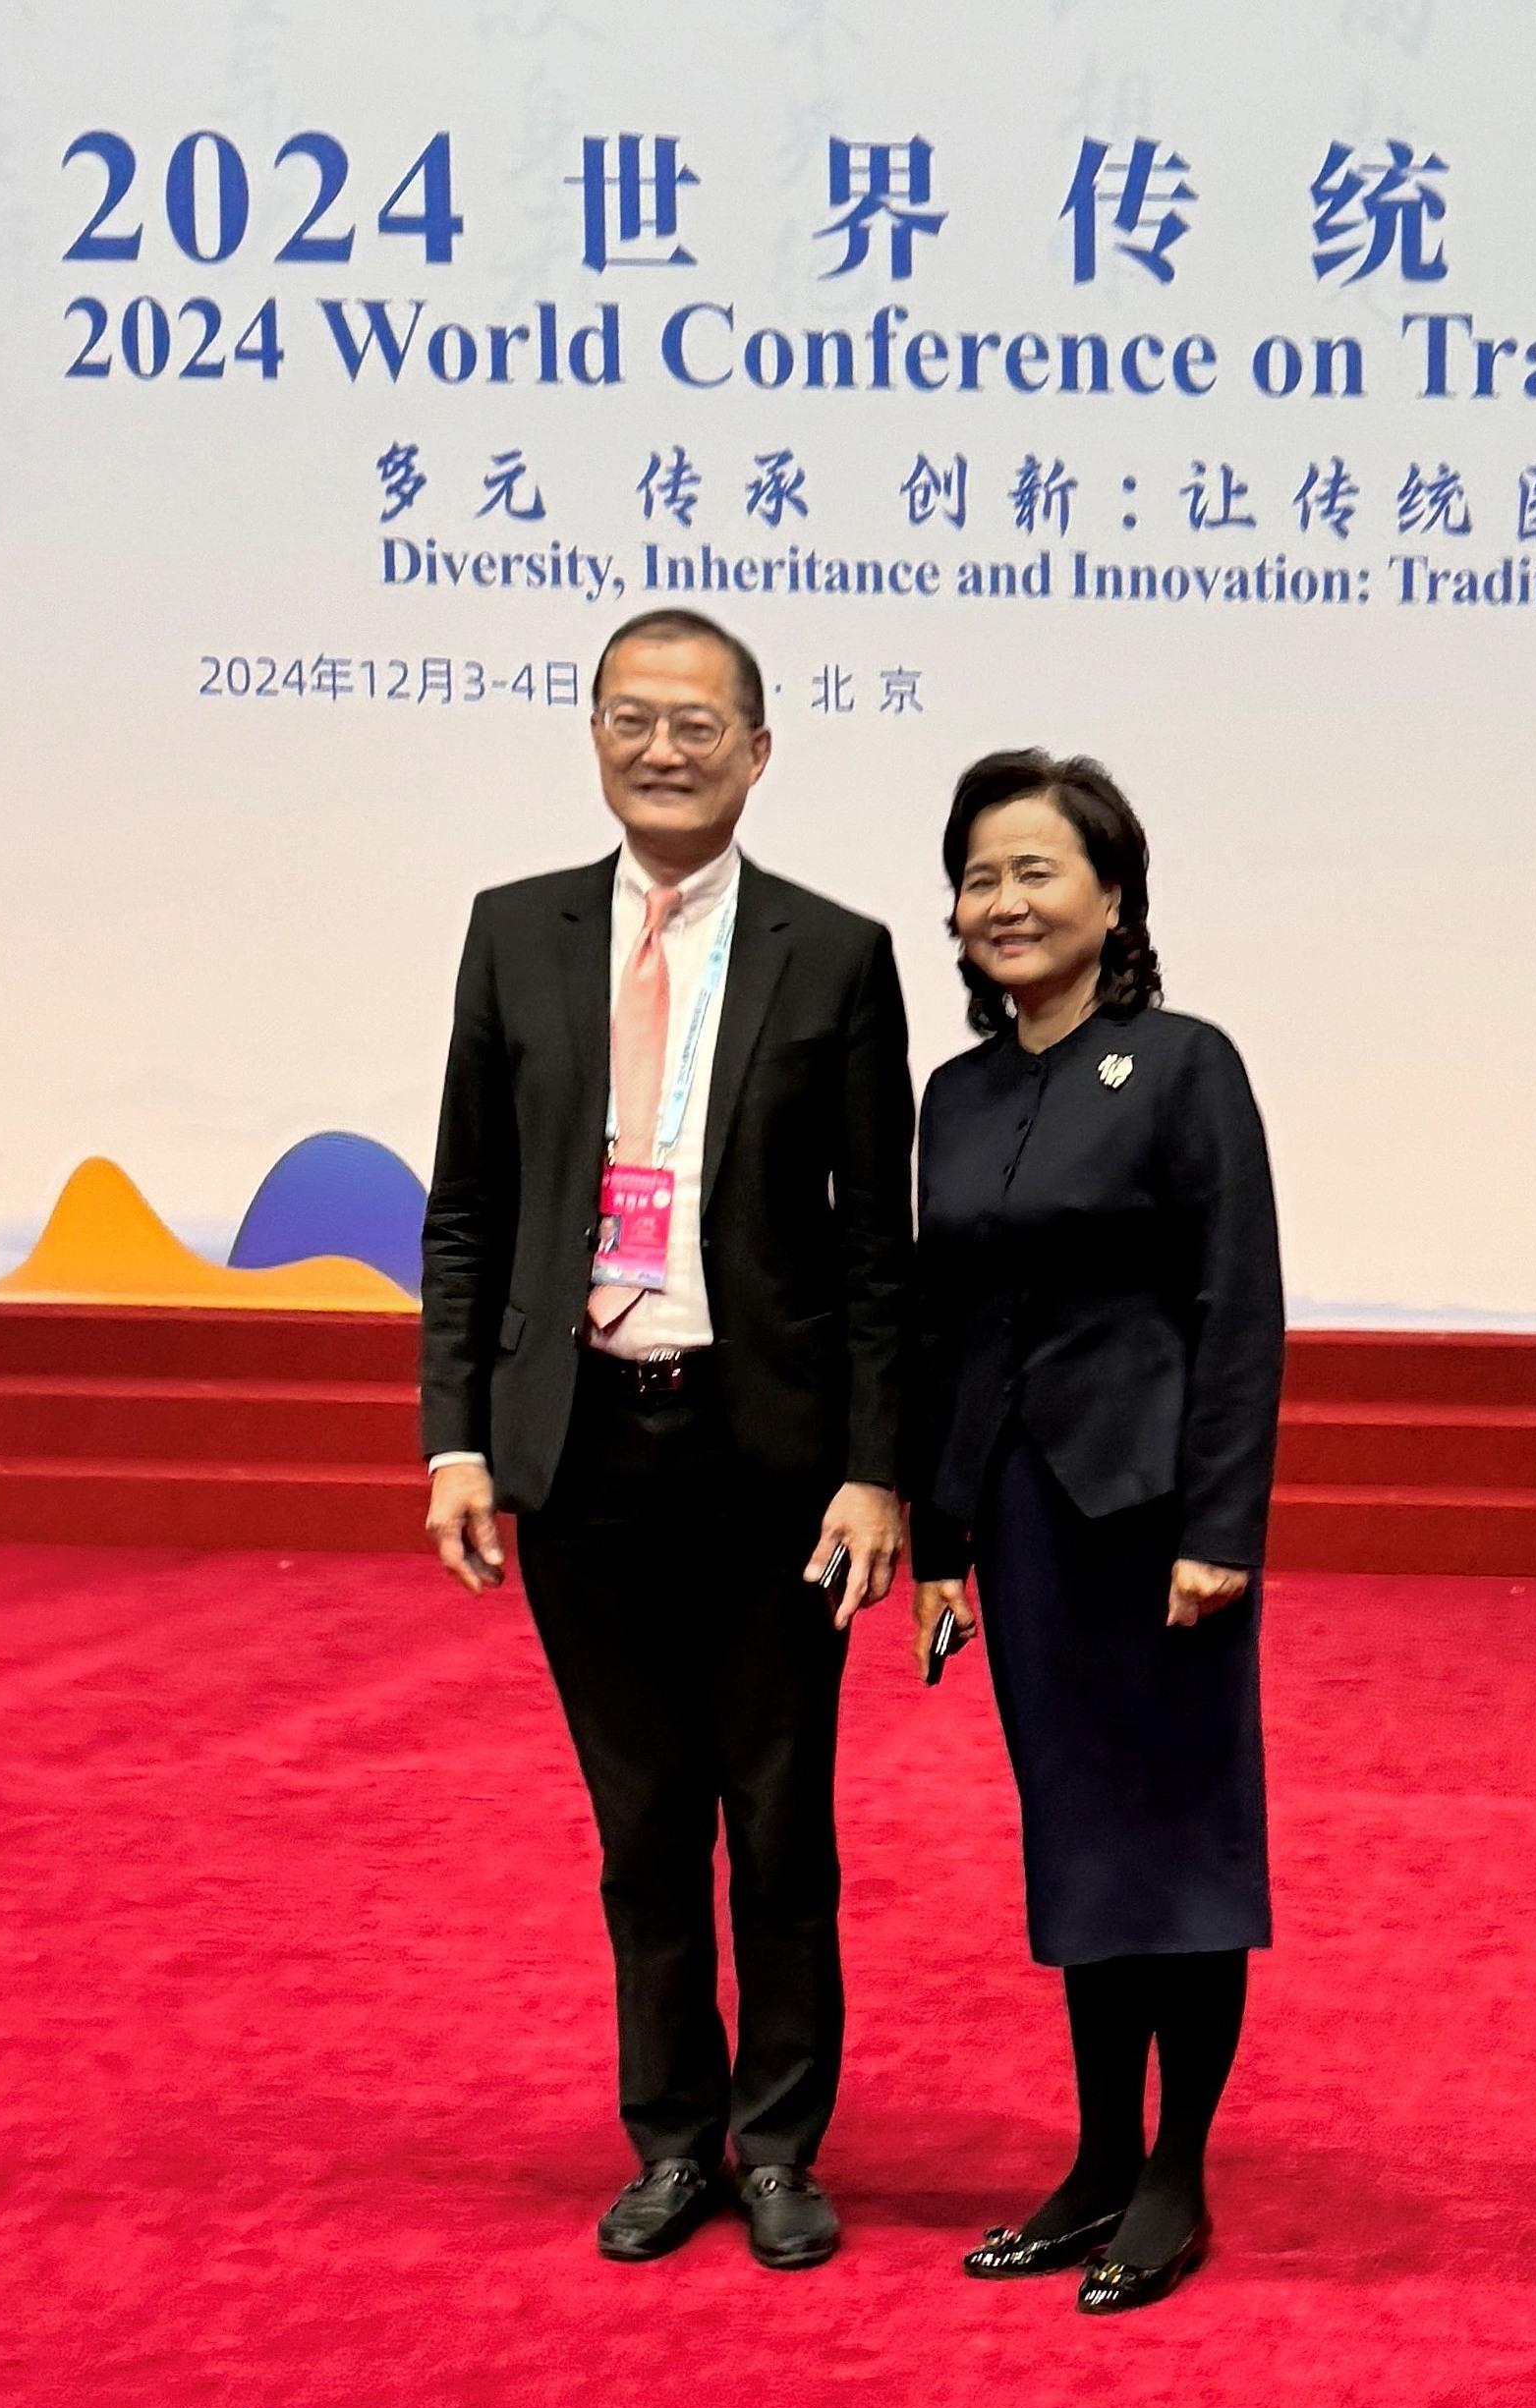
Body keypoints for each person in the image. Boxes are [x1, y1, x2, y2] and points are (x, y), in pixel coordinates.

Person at [418, 607, 913, 2272]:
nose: (664, 746)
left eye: (700, 723)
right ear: (594, 735)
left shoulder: (834, 954)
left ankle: (778, 2147)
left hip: (766, 1459)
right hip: (578, 1451)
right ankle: (672, 2139)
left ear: (759, 753)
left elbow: (870, 1248)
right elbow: (470, 1209)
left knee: (778, 1825)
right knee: (642, 1827)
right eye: (633, 716)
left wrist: (873, 1463)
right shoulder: (513, 933)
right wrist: (456, 1441)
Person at [905, 751, 1285, 2317]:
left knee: (1174, 1845)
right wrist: (937, 1537)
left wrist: (1221, 1525)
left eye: (1034, 872)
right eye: (979, 877)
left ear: (1110, 895)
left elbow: (1235, 1306)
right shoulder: (959, 1090)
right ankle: (1092, 2158)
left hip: (1152, 1519)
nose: (1002, 902)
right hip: (1018, 1520)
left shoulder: (1182, 1064)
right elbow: (947, 1325)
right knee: (1077, 1840)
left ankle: (1174, 2172)